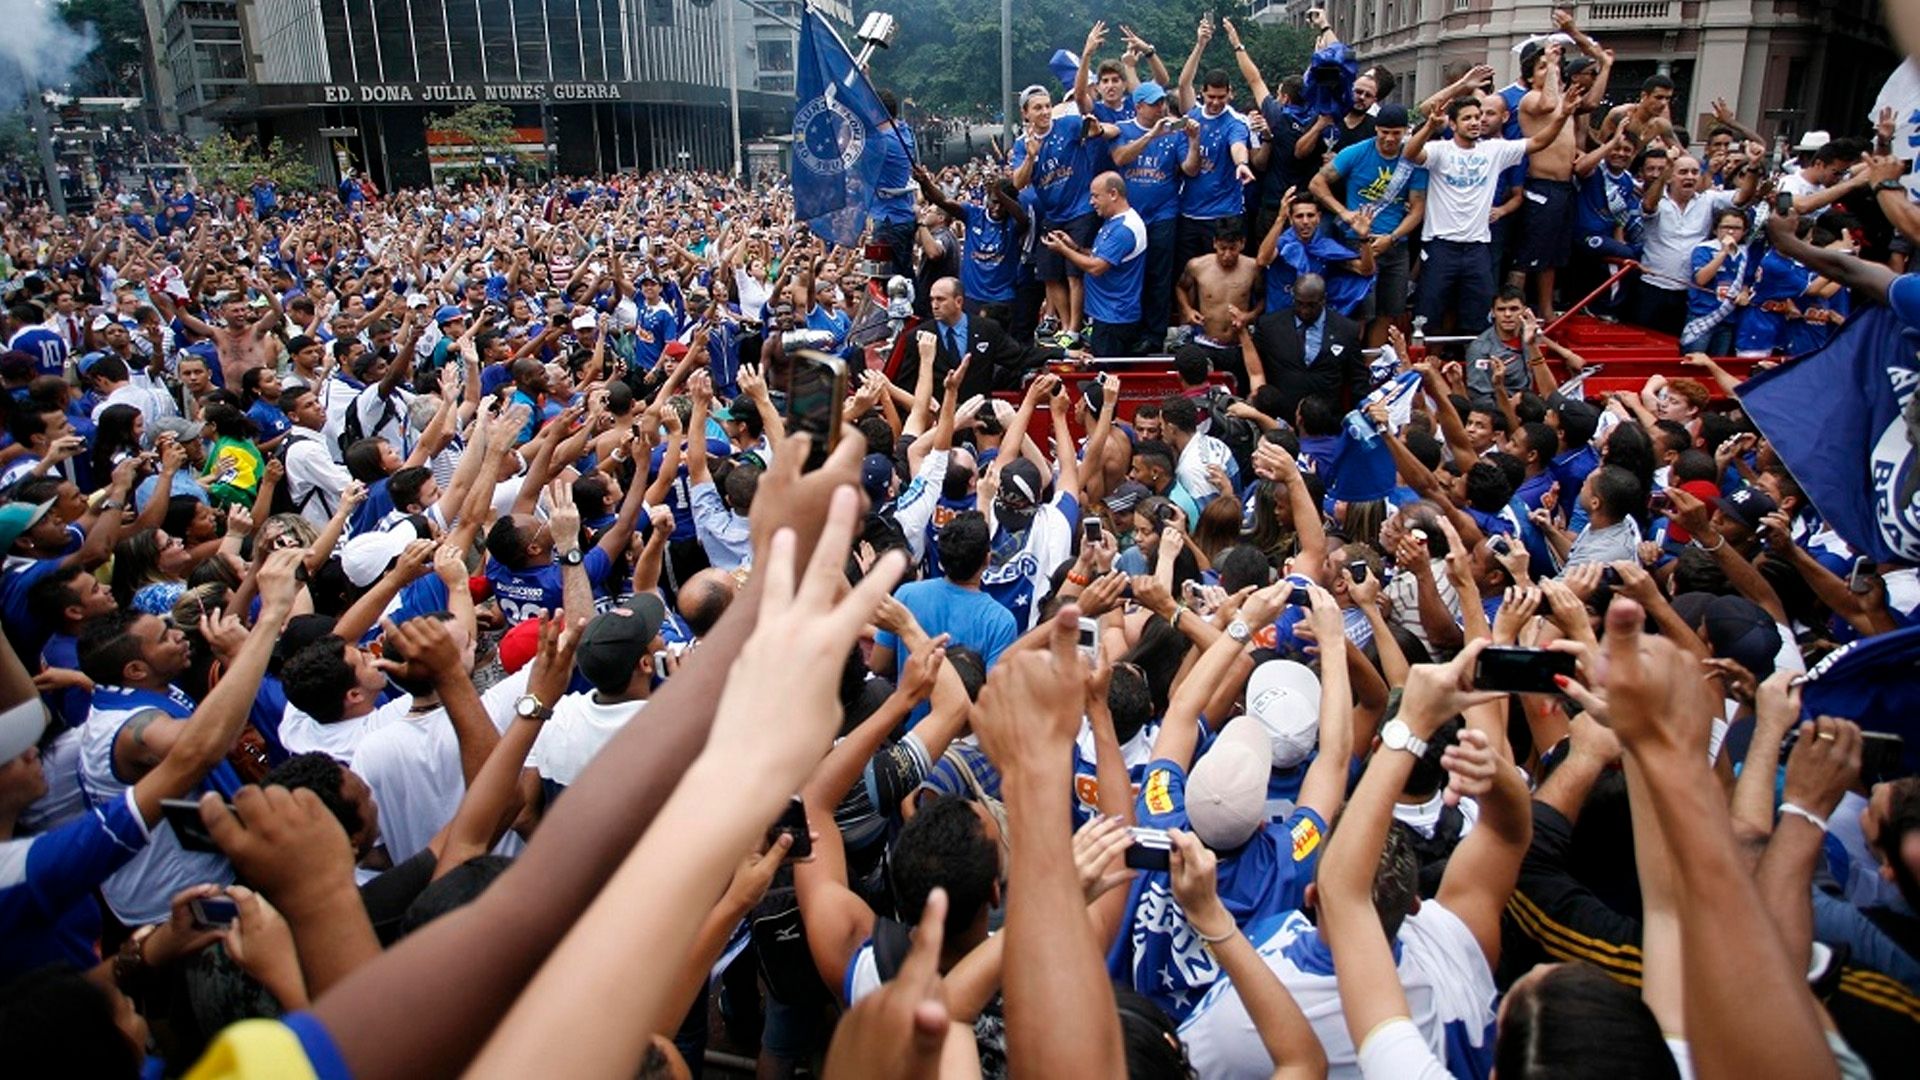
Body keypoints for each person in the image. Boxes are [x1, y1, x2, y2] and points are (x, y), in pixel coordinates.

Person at [1404, 66, 1574, 335]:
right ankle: (1430, 367)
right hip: (1440, 245)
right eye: (1468, 118)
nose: (1476, 122)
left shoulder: (1495, 150)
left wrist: (1563, 115)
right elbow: (1411, 153)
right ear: (1453, 124)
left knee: (1479, 317)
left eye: (1479, 116)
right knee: (1429, 315)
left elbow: (1539, 141)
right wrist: (1428, 127)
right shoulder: (1440, 150)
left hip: (1478, 248)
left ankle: (1476, 368)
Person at [1310, 103, 1429, 346]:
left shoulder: (1413, 160)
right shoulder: (1356, 152)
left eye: (1396, 133)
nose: (1389, 138)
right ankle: (1351, 366)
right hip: (1356, 241)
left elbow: (1418, 208)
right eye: (1384, 131)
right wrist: (1343, 212)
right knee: (1360, 310)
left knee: (1389, 311)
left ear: (1405, 131)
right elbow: (1317, 183)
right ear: (1376, 129)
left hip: (1395, 244)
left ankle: (1371, 368)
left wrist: (1393, 237)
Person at [1634, 154, 1760, 336]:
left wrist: (1754, 166)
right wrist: (1663, 174)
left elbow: (1742, 197)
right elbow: (1647, 205)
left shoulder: (1708, 200)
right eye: (1683, 172)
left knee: (1678, 348)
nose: (1690, 177)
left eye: (1695, 172)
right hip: (1652, 287)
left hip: (1689, 291)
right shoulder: (1658, 200)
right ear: (1670, 176)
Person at [1042, 173, 1149, 357]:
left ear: (1113, 194)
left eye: (1095, 196)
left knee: (1108, 375)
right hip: (1105, 315)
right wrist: (1073, 246)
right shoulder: (1113, 222)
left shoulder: (1124, 229)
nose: (1091, 202)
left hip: (1114, 319)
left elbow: (1096, 267)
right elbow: (1100, 255)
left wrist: (1063, 250)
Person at [1252, 273, 1369, 421]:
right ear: (1293, 297)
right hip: (1280, 419)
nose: (1305, 310)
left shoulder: (1346, 329)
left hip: (1327, 422)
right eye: (1300, 303)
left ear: (1323, 299)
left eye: (1312, 305)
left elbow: (1358, 378)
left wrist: (1359, 417)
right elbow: (1255, 369)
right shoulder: (1269, 326)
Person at [1176, 219, 1262, 389]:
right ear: (1214, 243)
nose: (1227, 254)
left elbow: (1264, 299)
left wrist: (1248, 316)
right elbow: (1181, 288)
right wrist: (1188, 310)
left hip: (1238, 344)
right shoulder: (1197, 266)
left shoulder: (1253, 268)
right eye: (1223, 248)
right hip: (1206, 342)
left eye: (1233, 249)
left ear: (1242, 244)